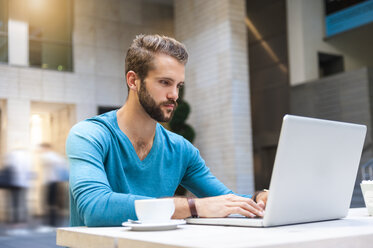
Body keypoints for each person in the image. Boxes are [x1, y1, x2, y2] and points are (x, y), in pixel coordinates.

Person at [66, 34, 268, 227]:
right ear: (133, 81)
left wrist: (258, 198)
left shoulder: (181, 149)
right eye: (164, 82)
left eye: (178, 85)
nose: (174, 95)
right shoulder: (89, 135)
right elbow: (94, 208)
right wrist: (192, 206)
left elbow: (223, 199)